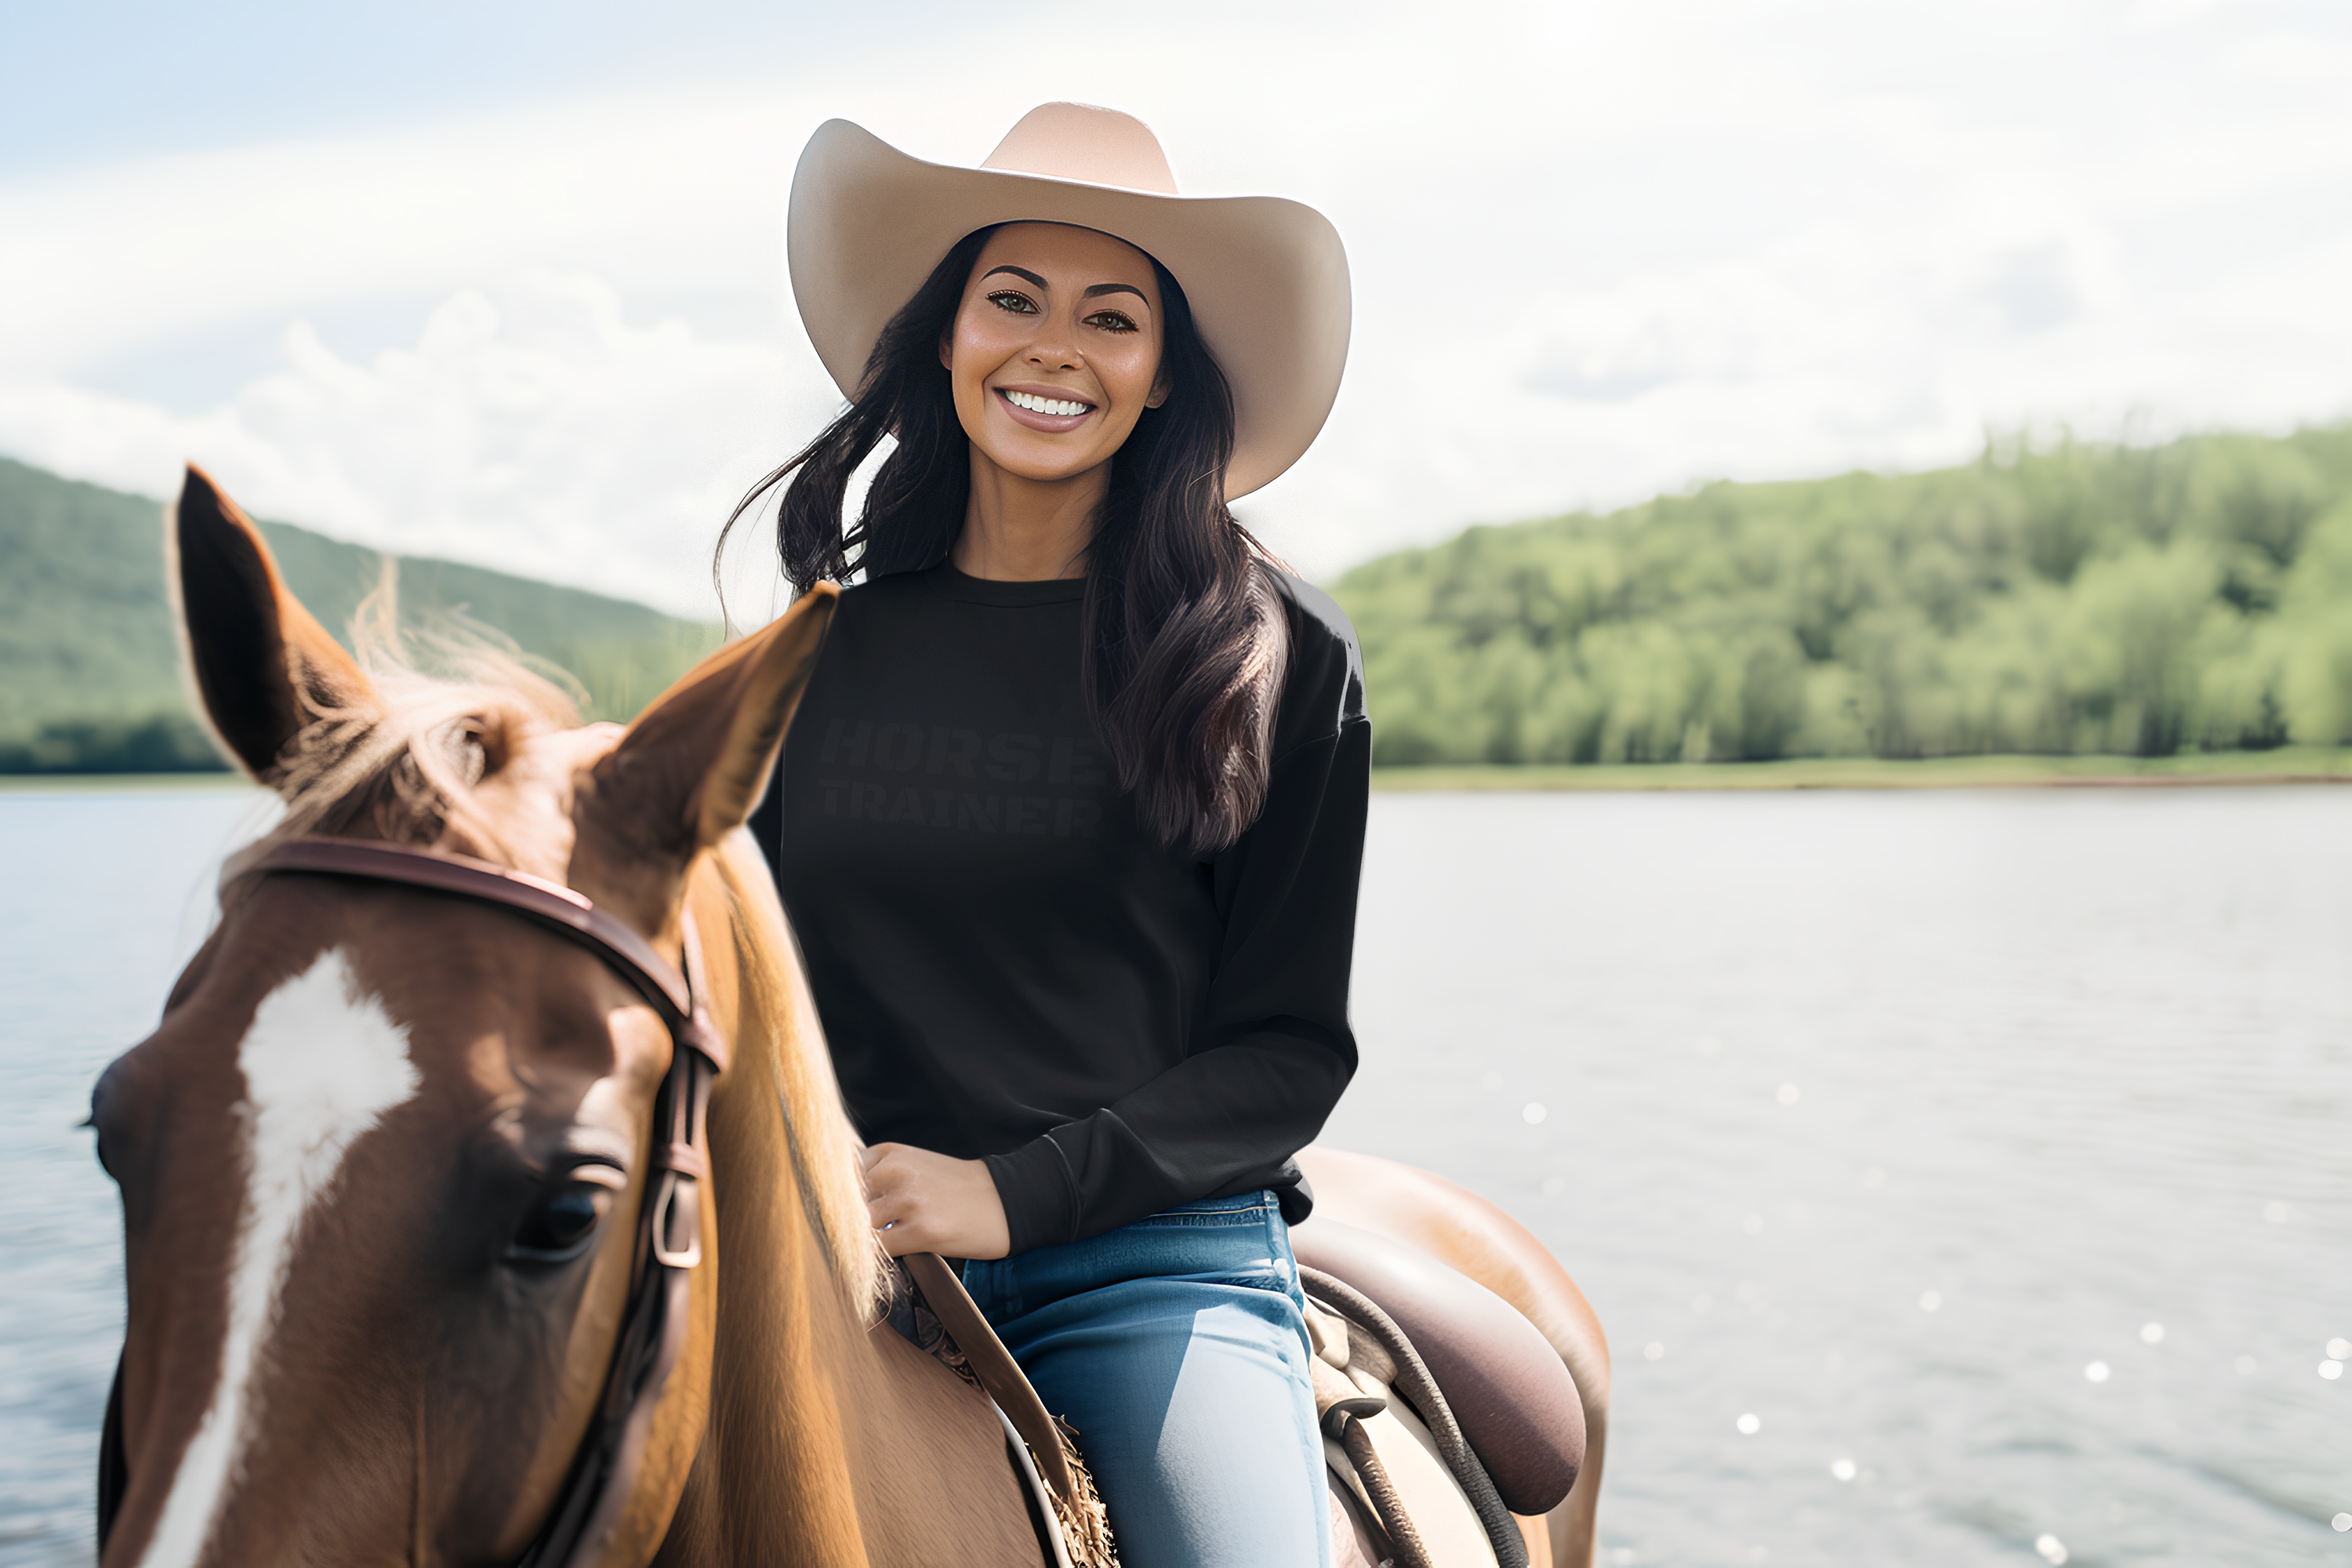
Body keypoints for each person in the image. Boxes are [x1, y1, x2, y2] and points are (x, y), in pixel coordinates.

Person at [740, 103, 1367, 1568]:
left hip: (1147, 1274)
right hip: (846, 1265)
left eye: (1112, 316)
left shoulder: (1275, 654)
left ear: (1160, 378)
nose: (1054, 346)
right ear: (946, 338)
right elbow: (737, 984)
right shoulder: (815, 659)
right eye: (1010, 298)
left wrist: (1009, 1195)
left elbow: (1288, 1052)